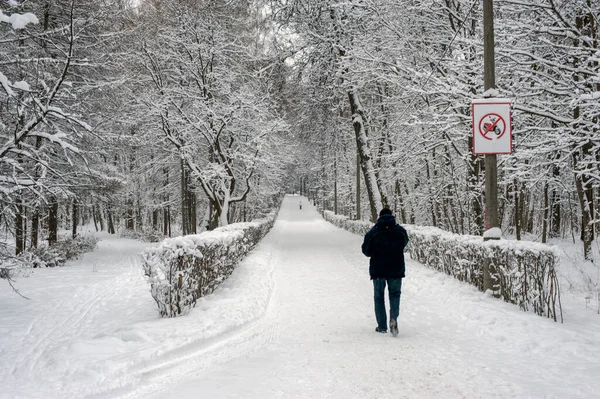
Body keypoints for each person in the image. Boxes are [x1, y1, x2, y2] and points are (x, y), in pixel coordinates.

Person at [361, 208, 409, 336]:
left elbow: (366, 251)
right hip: (396, 269)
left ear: (379, 217)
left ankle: (382, 326)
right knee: (395, 294)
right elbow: (405, 243)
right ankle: (393, 318)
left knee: (379, 297)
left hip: (378, 270)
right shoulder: (400, 231)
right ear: (392, 216)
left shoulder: (374, 232)